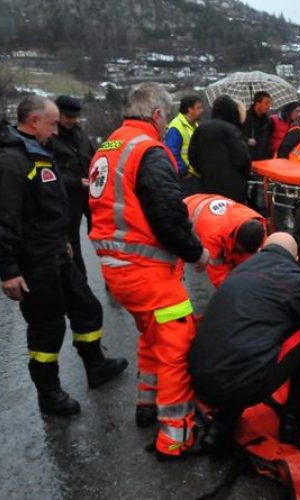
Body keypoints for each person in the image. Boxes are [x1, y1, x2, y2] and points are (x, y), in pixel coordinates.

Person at [87, 82, 210, 460]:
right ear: (157, 115)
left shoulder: (108, 147)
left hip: (118, 269)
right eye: (166, 116)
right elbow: (168, 216)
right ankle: (176, 436)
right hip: (147, 270)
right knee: (176, 346)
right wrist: (197, 253)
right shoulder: (149, 151)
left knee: (150, 336)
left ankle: (147, 404)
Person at [0, 95, 127, 417]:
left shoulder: (39, 153)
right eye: (51, 123)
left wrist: (64, 240)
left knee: (86, 308)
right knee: (47, 329)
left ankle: (96, 366)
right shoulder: (10, 162)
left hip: (56, 251)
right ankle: (49, 395)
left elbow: (49, 205)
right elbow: (4, 219)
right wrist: (8, 270)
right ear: (34, 121)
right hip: (34, 260)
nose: (55, 129)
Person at [188, 233, 300, 452]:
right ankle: (293, 421)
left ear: (262, 250)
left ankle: (221, 427)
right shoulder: (294, 280)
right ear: (296, 259)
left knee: (246, 346)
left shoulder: (239, 271)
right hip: (238, 385)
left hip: (198, 379)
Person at [49, 95, 95, 278]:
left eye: (74, 116)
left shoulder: (79, 133)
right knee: (71, 240)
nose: (72, 120)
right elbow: (52, 170)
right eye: (68, 116)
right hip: (68, 196)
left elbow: (92, 156)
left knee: (101, 233)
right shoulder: (50, 137)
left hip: (90, 192)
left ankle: (112, 274)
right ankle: (79, 279)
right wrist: (76, 182)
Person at [183, 193, 266, 288]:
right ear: (236, 242)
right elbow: (218, 275)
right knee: (197, 275)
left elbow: (255, 260)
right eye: (240, 251)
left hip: (210, 204)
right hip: (188, 212)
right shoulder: (212, 235)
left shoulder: (259, 225)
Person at [188, 95, 251, 204]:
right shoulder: (232, 130)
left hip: (207, 186)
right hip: (233, 189)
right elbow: (242, 159)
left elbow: (192, 156)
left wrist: (203, 171)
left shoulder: (200, 128)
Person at [165, 95, 204, 196]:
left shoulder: (195, 125)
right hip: (186, 178)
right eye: (199, 108)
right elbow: (171, 152)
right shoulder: (176, 127)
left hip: (195, 176)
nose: (202, 110)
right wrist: (184, 173)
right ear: (189, 109)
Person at [243, 91, 273, 160]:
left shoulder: (268, 121)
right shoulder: (244, 117)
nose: (268, 106)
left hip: (263, 161)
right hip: (247, 160)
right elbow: (237, 135)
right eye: (266, 103)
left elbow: (268, 141)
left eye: (269, 104)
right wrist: (247, 140)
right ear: (257, 104)